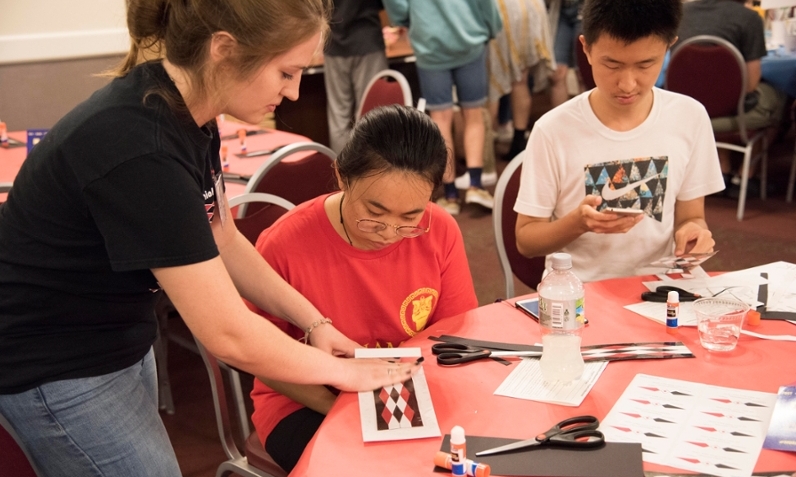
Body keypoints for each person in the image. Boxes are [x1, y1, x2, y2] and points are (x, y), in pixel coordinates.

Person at [0, 1, 422, 475]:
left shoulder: (190, 115)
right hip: (55, 361)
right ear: (224, 49)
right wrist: (344, 372)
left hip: (111, 333)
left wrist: (314, 323)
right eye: (286, 73)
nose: (296, 91)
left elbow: (222, 236)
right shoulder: (142, 147)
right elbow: (227, 334)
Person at [247, 105, 478, 472]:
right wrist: (341, 406)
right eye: (374, 212)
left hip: (412, 392)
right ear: (341, 176)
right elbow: (263, 358)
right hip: (307, 401)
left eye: (409, 218)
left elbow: (452, 338)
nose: (389, 232)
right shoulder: (283, 244)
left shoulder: (440, 230)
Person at [514, 0, 725, 283]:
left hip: (662, 288)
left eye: (645, 64)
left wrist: (692, 231)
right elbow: (526, 241)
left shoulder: (689, 116)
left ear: (668, 47)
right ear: (586, 48)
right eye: (611, 64)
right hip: (583, 293)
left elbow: (692, 216)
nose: (627, 84)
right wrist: (578, 223)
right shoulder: (553, 130)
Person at [383, 0, 503, 215]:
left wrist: (411, 19)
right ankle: (476, 186)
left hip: (430, 44)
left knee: (440, 118)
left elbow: (397, 8)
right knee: (473, 114)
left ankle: (450, 194)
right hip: (470, 38)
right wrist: (493, 28)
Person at [677, 0, 787, 198]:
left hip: (687, 111)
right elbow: (751, 83)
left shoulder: (681, 12)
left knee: (719, 96)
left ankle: (722, 171)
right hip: (732, 113)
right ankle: (746, 174)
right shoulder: (748, 18)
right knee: (778, 97)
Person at [487, 0, 556, 160]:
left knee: (492, 83)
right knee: (521, 80)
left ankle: (485, 154)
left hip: (501, 10)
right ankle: (518, 143)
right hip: (532, 8)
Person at [324, 0, 388, 154]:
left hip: (334, 44)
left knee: (338, 117)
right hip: (367, 41)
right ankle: (370, 173)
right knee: (372, 114)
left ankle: (341, 173)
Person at [547, 0, 585, 107]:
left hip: (586, 9)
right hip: (561, 10)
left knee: (583, 74)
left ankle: (586, 121)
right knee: (557, 74)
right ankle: (560, 121)